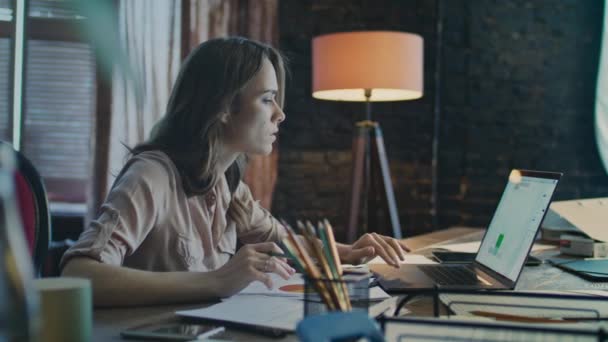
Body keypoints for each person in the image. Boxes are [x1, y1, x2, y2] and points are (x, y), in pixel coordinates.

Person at [61, 37, 408, 307]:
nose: (280, 115)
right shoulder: (151, 177)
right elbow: (78, 275)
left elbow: (282, 242)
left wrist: (347, 251)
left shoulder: (226, 180)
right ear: (225, 106)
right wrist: (217, 280)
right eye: (267, 99)